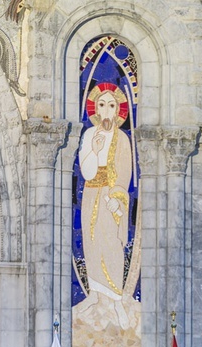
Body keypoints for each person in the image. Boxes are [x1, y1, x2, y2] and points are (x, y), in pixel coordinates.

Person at [78, 83, 132, 330]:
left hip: (112, 198)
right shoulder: (89, 135)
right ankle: (95, 296)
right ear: (96, 109)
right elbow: (86, 171)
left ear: (117, 110)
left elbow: (126, 172)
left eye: (111, 105)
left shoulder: (122, 138)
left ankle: (118, 300)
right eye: (102, 104)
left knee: (112, 245)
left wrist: (117, 197)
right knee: (91, 242)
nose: (106, 111)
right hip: (91, 194)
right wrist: (95, 150)